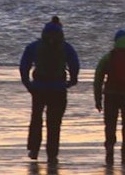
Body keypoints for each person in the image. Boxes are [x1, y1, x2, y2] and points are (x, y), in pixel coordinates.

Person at [19, 15, 80, 163]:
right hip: (58, 88)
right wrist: (72, 81)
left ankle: (34, 149)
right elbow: (75, 65)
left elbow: (24, 65)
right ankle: (52, 153)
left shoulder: (35, 46)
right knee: (54, 122)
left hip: (39, 87)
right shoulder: (65, 47)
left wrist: (28, 83)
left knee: (36, 119)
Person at [93, 29, 125, 165]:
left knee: (110, 124)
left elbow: (98, 78)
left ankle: (110, 148)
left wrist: (97, 99)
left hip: (110, 95)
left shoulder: (108, 58)